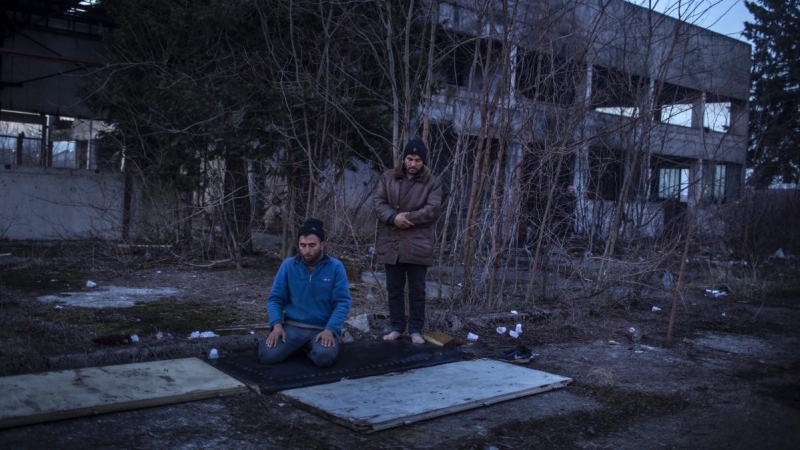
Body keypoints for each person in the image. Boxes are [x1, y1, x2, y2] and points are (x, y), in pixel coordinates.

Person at [373, 138, 443, 344]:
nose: (413, 164)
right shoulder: (388, 177)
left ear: (424, 162)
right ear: (404, 159)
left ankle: (415, 329)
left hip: (417, 243)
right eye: (410, 159)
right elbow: (379, 203)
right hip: (391, 241)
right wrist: (393, 218)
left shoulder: (433, 182)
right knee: (393, 288)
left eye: (418, 160)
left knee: (417, 290)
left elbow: (432, 211)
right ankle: (396, 327)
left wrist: (406, 219)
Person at [258, 218, 351, 367]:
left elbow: (342, 302)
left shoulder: (335, 267)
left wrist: (331, 329)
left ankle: (306, 348)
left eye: (312, 245)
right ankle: (300, 347)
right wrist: (276, 325)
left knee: (324, 357)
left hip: (321, 328)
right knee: (267, 355)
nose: (307, 250)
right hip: (292, 327)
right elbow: (275, 299)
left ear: (322, 245)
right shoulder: (288, 265)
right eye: (303, 245)